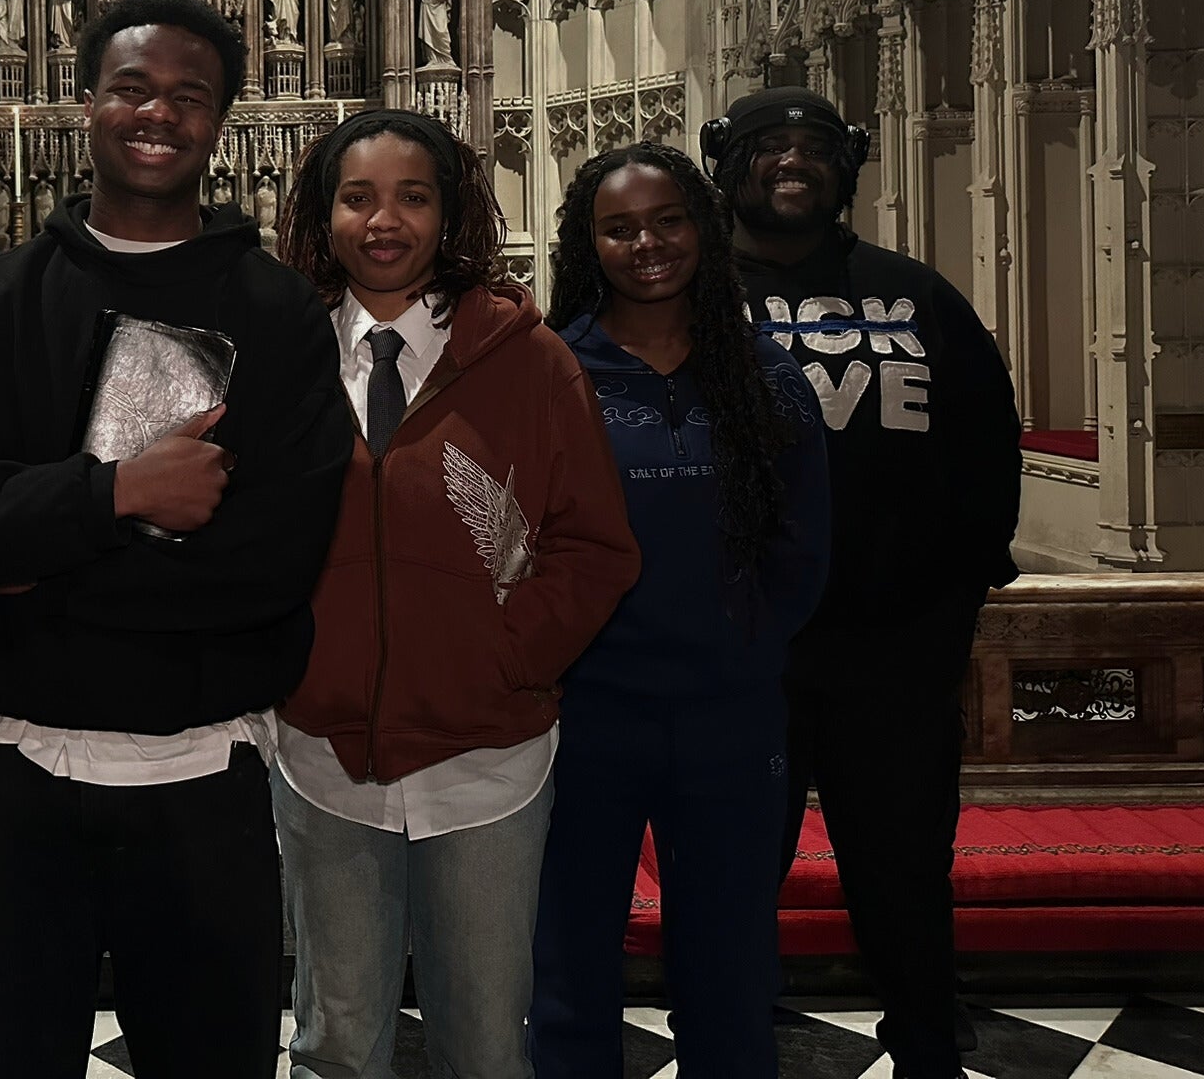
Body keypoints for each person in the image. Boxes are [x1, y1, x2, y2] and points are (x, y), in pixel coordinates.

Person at [0, 0, 353, 1079]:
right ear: (85, 101)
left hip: (203, 776)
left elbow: (273, 565)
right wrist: (114, 498)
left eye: (189, 95)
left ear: (221, 123)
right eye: (131, 87)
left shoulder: (276, 316)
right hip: (8, 774)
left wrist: (19, 567)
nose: (157, 113)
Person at [273, 111, 642, 1079]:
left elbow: (595, 548)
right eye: (357, 197)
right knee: (335, 1045)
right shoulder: (284, 355)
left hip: (486, 760)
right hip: (325, 758)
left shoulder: (527, 357)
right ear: (323, 214)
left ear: (450, 212)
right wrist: (292, 659)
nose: (382, 221)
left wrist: (507, 657)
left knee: (481, 1046)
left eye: (412, 196)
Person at [707, 87, 1021, 1079]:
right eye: (767, 146)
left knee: (902, 869)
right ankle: (727, 1049)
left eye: (812, 147)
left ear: (847, 165)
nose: (790, 161)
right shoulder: (684, 295)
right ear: (726, 164)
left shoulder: (914, 294)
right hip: (736, 655)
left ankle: (925, 1047)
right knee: (732, 872)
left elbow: (985, 446)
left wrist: (948, 604)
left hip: (892, 654)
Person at [531, 142, 831, 1077]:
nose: (647, 244)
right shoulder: (548, 375)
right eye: (618, 228)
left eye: (668, 221)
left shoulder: (766, 377)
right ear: (587, 245)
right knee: (569, 967)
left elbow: (801, 552)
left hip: (727, 720)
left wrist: (739, 651)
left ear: (703, 227)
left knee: (731, 971)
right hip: (583, 719)